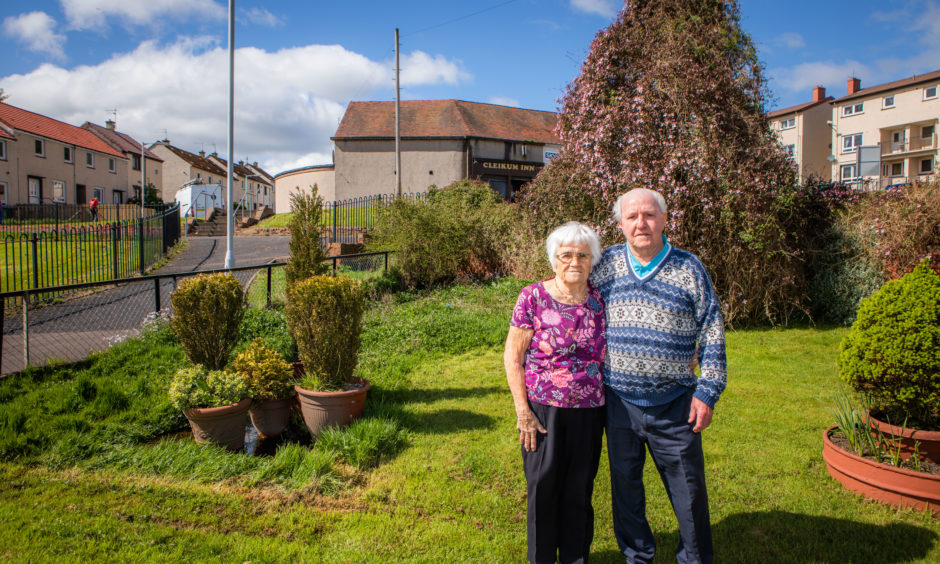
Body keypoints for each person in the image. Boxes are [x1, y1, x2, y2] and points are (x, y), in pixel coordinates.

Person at [591, 188, 726, 564]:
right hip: (618, 403)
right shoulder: (606, 264)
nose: (641, 223)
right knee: (626, 492)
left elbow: (711, 328)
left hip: (676, 405)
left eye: (649, 215)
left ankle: (695, 558)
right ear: (620, 224)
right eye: (632, 217)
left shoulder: (688, 267)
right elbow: (576, 303)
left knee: (689, 494)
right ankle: (637, 557)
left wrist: (708, 391)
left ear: (665, 220)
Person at [504, 221, 607, 564]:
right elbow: (513, 358)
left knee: (579, 491)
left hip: (590, 411)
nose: (574, 261)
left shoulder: (600, 299)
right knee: (543, 491)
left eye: (582, 254)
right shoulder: (532, 296)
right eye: (566, 254)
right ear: (553, 259)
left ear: (592, 260)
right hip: (543, 411)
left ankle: (576, 558)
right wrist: (523, 412)